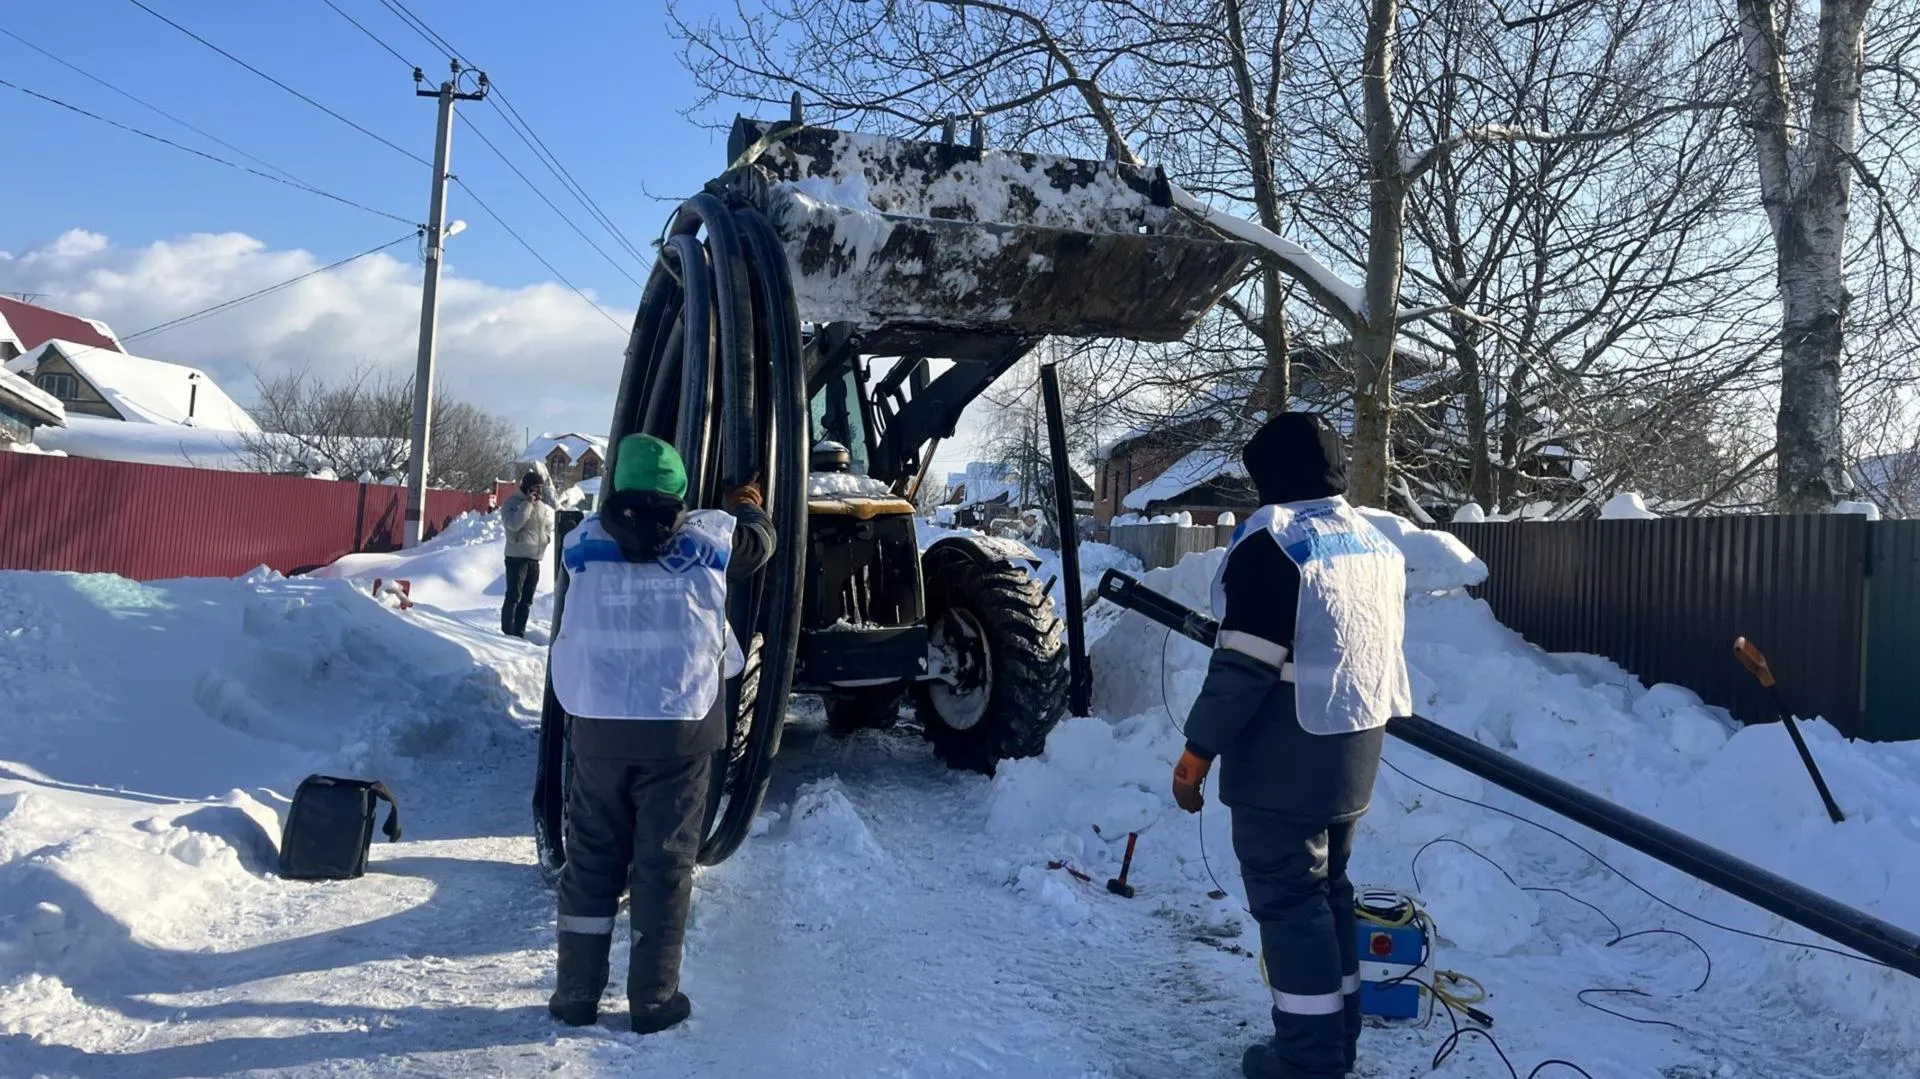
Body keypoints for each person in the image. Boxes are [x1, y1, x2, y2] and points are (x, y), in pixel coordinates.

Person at [1170, 413, 1412, 1079]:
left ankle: (1307, 1063)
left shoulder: (1273, 543)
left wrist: (1196, 753)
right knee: (1328, 895)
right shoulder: (1370, 541)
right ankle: (1337, 1044)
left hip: (1284, 760)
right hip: (1353, 755)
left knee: (1289, 906)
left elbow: (1244, 667)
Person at [546, 433, 773, 1034]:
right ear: (679, 492)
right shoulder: (709, 539)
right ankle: (652, 1001)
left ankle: (574, 996)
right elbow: (762, 543)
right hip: (678, 726)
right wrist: (746, 501)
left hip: (597, 725)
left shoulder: (581, 543)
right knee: (663, 863)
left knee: (591, 860)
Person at [500, 469, 558, 637]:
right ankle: (507, 631)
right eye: (535, 488)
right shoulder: (513, 503)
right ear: (526, 488)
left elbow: (546, 525)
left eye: (541, 488)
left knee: (526, 600)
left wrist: (546, 538)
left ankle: (519, 632)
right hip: (517, 557)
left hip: (534, 558)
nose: (539, 492)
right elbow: (513, 524)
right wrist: (527, 504)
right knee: (514, 596)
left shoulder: (540, 506)